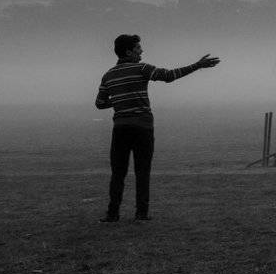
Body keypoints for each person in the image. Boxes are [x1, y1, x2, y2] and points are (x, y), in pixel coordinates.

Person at [94, 34, 221, 222]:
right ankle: (141, 214)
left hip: (120, 129)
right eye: (138, 48)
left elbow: (99, 103)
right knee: (142, 171)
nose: (141, 51)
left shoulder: (108, 75)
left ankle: (112, 214)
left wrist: (120, 101)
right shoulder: (142, 68)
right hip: (143, 127)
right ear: (128, 52)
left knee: (118, 173)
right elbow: (169, 76)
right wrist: (197, 65)